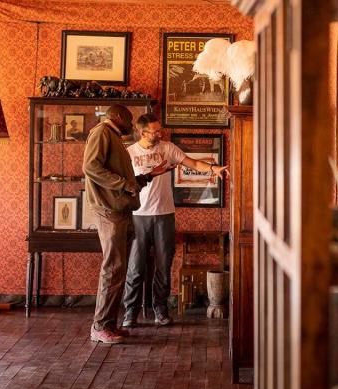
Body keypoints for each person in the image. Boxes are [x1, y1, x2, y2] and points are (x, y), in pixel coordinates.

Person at [122, 113, 229, 327]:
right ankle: (130, 313)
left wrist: (213, 168)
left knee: (164, 265)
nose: (159, 134)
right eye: (154, 131)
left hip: (164, 216)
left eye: (159, 129)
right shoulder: (129, 153)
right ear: (143, 133)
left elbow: (192, 163)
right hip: (137, 217)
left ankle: (160, 310)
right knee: (135, 268)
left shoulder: (168, 148)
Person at [82, 105, 167, 344]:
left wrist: (148, 176)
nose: (132, 125)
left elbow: (122, 177)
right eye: (129, 120)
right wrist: (124, 184)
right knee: (113, 268)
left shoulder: (113, 137)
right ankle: (99, 326)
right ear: (117, 117)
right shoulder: (101, 133)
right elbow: (90, 167)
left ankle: (108, 324)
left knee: (118, 269)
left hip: (119, 210)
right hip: (109, 211)